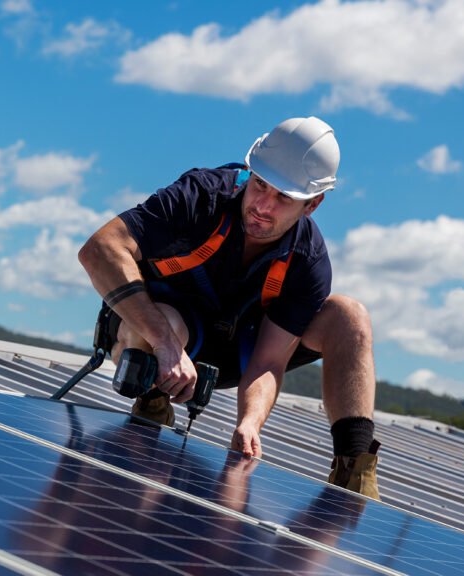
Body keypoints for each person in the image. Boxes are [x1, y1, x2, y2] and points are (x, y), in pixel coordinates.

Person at [77, 116, 380, 499]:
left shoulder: (307, 261)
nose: (263, 206)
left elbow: (269, 362)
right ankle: (152, 402)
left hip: (237, 352)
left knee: (349, 317)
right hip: (160, 335)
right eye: (260, 185)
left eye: (283, 198)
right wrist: (166, 343)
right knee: (168, 324)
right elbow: (100, 249)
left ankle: (354, 477)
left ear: (312, 205)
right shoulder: (201, 196)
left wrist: (250, 423)